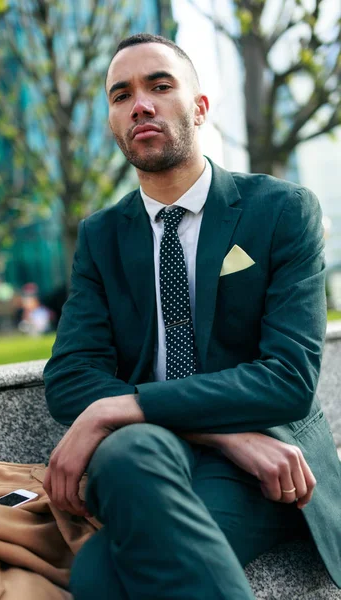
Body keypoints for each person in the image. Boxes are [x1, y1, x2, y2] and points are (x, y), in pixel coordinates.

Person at [43, 33, 341, 599]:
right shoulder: (101, 237)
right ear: (112, 122)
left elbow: (289, 380)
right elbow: (69, 376)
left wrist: (122, 406)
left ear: (200, 108)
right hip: (169, 449)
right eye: (121, 94)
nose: (141, 104)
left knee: (100, 575)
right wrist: (225, 433)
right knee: (129, 452)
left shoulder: (281, 211)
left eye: (160, 85)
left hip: (269, 471)